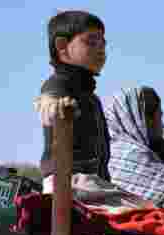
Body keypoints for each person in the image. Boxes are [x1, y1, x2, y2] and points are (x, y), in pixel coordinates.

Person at [36, 11, 111, 184]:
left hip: (95, 183)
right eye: (91, 42)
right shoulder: (59, 83)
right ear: (62, 46)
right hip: (70, 184)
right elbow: (49, 98)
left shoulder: (90, 95)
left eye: (103, 43)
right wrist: (51, 105)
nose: (100, 48)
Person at [106, 86, 164, 205]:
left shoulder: (106, 153)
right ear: (144, 120)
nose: (163, 125)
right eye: (159, 117)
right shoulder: (135, 154)